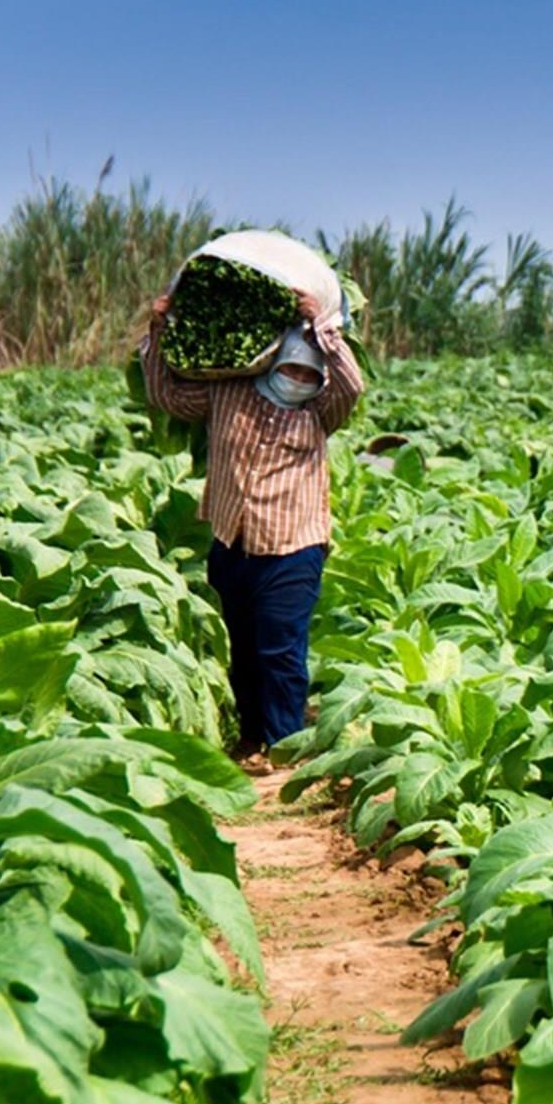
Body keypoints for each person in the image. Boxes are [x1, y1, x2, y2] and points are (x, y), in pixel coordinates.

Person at [140, 286, 364, 766]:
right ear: (272, 362)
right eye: (292, 369)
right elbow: (167, 395)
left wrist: (324, 330)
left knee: (280, 650)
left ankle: (284, 749)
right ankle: (250, 737)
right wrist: (158, 331)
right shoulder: (227, 393)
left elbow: (351, 387)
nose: (298, 380)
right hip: (232, 542)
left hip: (294, 546)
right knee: (240, 647)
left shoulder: (320, 412)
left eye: (309, 374)